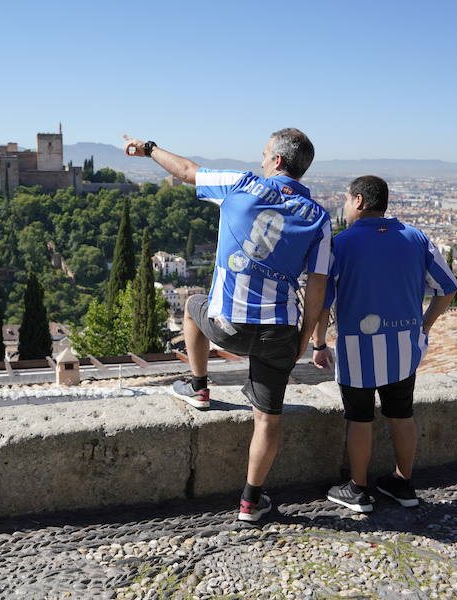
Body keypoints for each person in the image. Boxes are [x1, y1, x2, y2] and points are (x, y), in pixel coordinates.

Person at [123, 130, 331, 522]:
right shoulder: (319, 218)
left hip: (228, 326)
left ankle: (199, 386)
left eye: (264, 153)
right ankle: (250, 502)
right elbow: (318, 285)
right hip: (280, 332)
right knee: (267, 419)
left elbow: (187, 171)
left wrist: (149, 149)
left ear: (278, 161)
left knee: (192, 306)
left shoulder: (241, 184)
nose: (261, 159)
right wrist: (305, 338)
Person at [311, 175, 457, 513]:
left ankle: (358, 489)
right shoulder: (416, 237)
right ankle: (403, 484)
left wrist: (319, 343)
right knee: (401, 415)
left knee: (360, 420)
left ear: (359, 201)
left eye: (346, 200)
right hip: (404, 348)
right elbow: (448, 287)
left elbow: (322, 302)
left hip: (357, 350)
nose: (345, 206)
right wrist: (424, 326)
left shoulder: (341, 244)